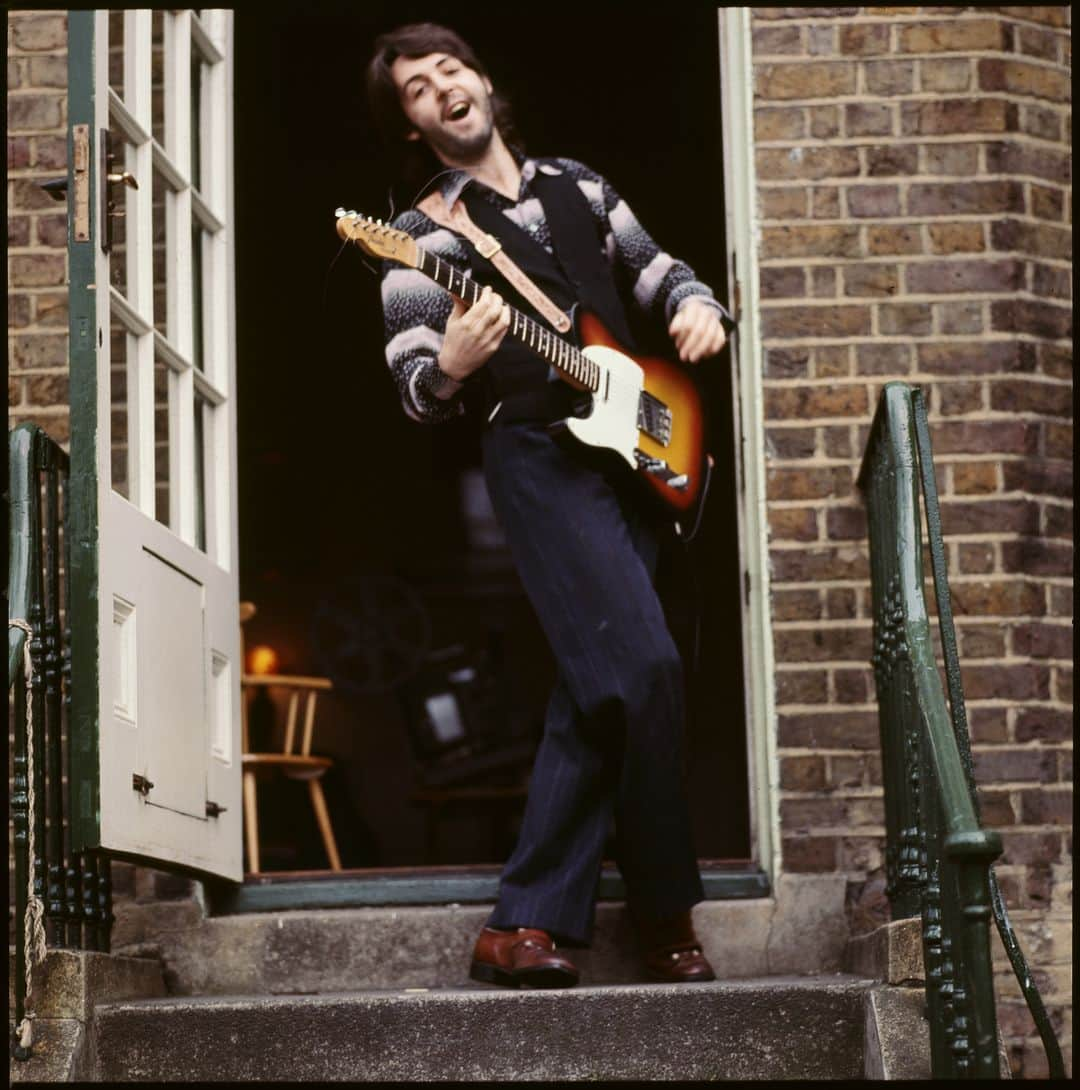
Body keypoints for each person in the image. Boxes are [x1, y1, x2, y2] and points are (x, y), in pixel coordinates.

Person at [365, 22, 733, 989]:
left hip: (635, 452)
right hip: (537, 457)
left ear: (482, 80)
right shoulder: (418, 240)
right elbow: (412, 389)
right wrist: (449, 366)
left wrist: (699, 307)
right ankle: (664, 913)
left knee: (598, 690)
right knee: (644, 664)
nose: (438, 87)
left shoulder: (582, 185)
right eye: (414, 88)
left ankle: (520, 925)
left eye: (449, 68)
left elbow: (663, 274)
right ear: (411, 126)